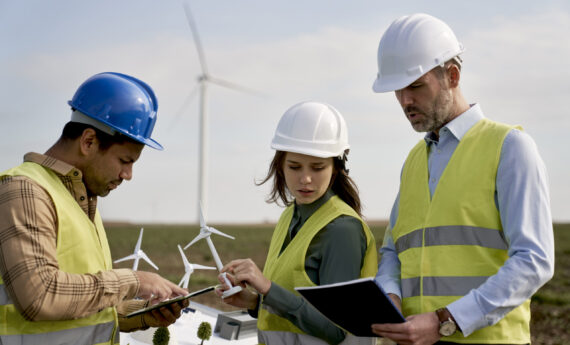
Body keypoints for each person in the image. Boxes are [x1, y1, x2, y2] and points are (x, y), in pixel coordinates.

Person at [370, 13, 555, 345]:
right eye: (398, 90)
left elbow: (534, 261)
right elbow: (391, 251)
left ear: (452, 76)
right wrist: (390, 296)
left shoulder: (510, 148)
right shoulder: (413, 161)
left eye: (415, 86)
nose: (405, 101)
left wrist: (447, 320)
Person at [0, 72, 189, 345]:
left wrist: (144, 314)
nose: (128, 175)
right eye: (125, 160)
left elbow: (84, 306)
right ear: (88, 141)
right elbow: (40, 297)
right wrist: (133, 281)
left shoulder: (80, 201)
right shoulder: (26, 191)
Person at [216, 101, 378, 345]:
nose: (305, 179)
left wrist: (268, 289)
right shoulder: (289, 217)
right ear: (280, 166)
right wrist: (254, 302)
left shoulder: (342, 229)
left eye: (318, 167)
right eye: (294, 167)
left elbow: (336, 331)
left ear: (335, 168)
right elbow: (294, 312)